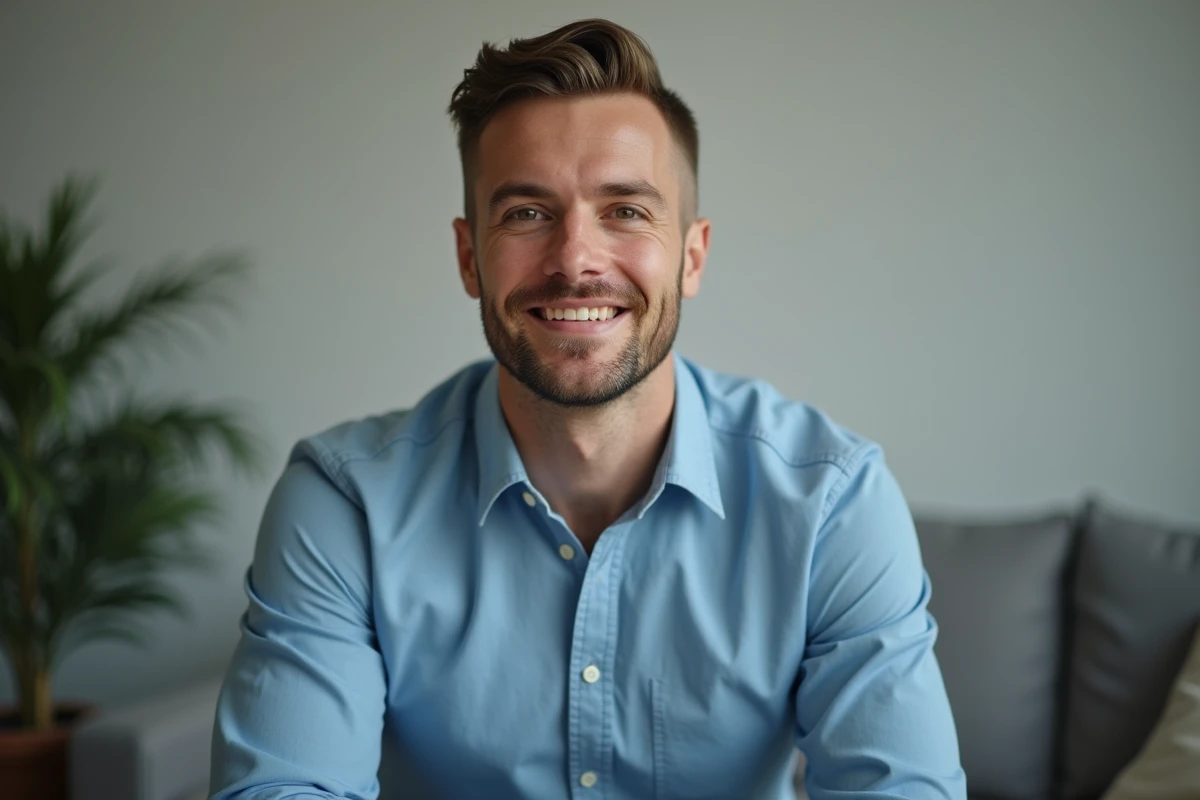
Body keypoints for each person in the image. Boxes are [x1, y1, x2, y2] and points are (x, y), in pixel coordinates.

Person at [209, 18, 966, 800]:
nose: (575, 258)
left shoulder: (832, 501)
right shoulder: (346, 505)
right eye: (527, 213)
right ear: (469, 257)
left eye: (626, 211)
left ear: (692, 255)